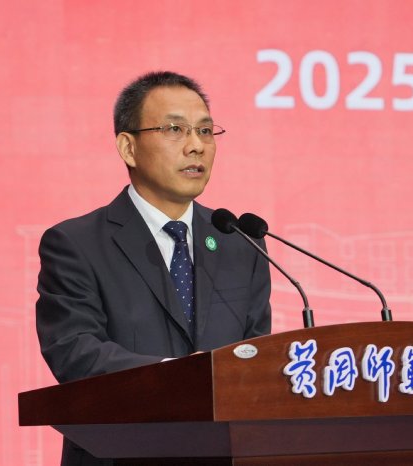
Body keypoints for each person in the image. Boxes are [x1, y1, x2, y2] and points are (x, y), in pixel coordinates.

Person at [35, 71, 272, 465]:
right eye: (175, 130)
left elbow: (255, 355)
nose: (196, 146)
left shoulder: (239, 242)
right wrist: (178, 376)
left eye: (205, 131)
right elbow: (75, 352)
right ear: (128, 148)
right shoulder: (76, 244)